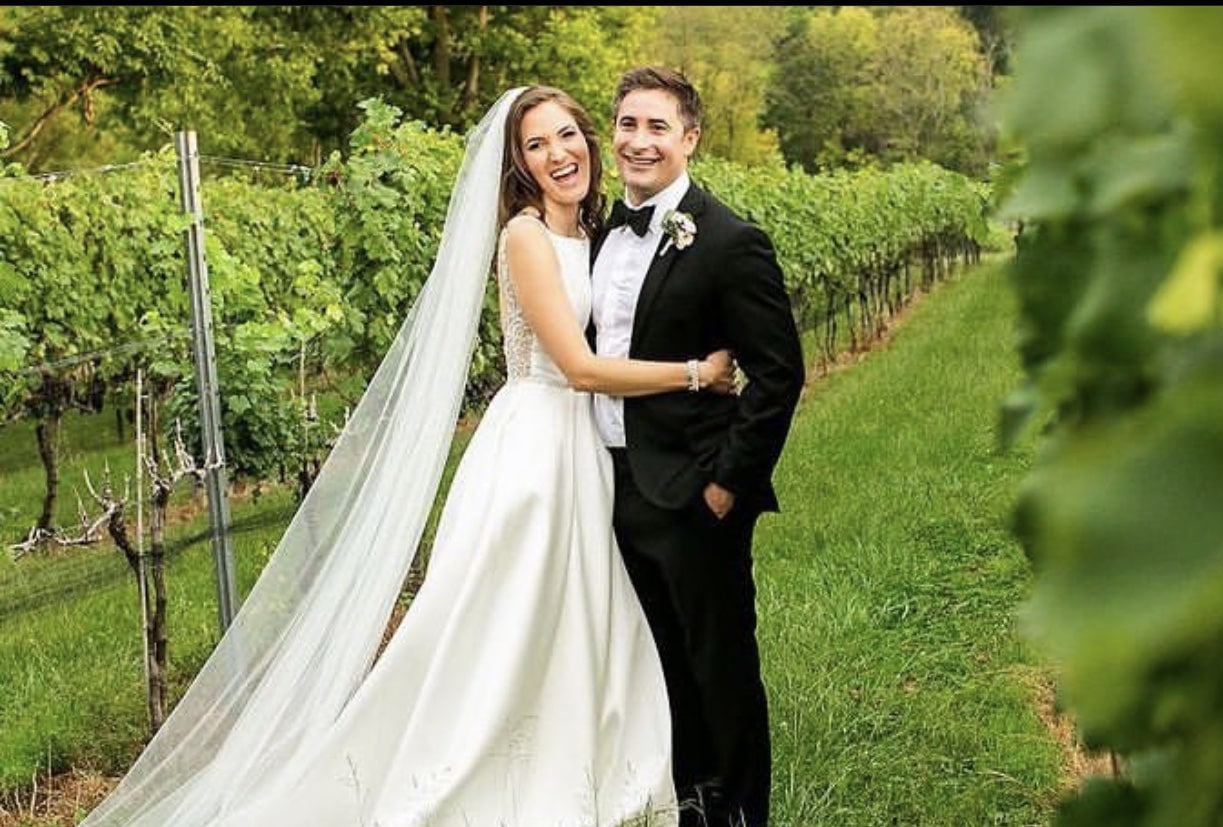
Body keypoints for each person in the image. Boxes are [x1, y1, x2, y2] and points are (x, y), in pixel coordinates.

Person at [77, 86, 738, 827]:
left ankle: (582, 756)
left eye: (566, 137)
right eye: (536, 145)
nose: (558, 154)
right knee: (500, 617)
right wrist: (696, 373)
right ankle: (465, 769)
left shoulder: (597, 232)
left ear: (587, 140)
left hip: (585, 447)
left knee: (573, 609)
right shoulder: (523, 235)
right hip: (535, 449)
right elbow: (579, 367)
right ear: (517, 165)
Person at [591, 67, 805, 827]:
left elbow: (779, 374)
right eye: (626, 123)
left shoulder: (729, 242)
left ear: (690, 137)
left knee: (720, 667)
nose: (638, 141)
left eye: (656, 126)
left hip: (693, 493)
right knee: (660, 668)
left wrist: (724, 485)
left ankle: (743, 813)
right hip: (610, 486)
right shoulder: (598, 235)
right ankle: (690, 805)